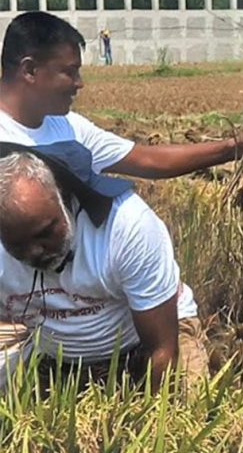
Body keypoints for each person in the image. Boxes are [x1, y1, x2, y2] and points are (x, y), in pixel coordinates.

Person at [0, 143, 207, 393]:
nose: (35, 251)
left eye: (45, 232)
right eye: (18, 244)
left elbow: (162, 349)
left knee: (192, 408)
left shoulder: (126, 226)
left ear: (65, 198)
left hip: (144, 342)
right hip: (58, 353)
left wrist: (155, 424)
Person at [0, 11, 243, 180]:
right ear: (30, 70)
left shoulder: (70, 130)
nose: (79, 84)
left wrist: (233, 148)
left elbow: (147, 159)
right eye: (70, 72)